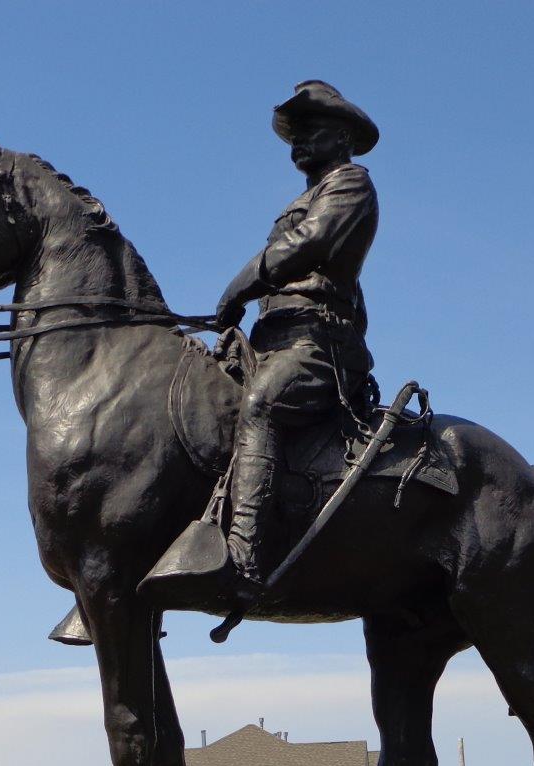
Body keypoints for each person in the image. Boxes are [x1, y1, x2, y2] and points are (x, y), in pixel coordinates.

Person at [214, 80, 380, 596]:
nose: (299, 142)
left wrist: (236, 289)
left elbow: (305, 248)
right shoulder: (303, 197)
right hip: (273, 336)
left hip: (319, 344)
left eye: (313, 131)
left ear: (344, 137)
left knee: (262, 406)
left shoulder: (351, 184)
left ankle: (243, 557)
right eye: (295, 135)